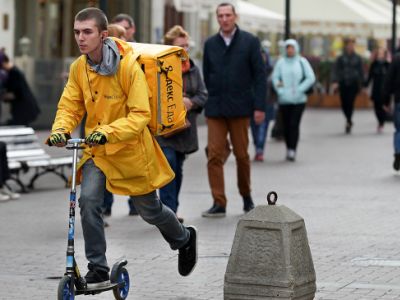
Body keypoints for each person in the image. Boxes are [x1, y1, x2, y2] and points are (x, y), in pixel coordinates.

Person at [46, 7, 197, 285]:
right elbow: (70, 104)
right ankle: (98, 267)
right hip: (97, 150)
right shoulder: (79, 67)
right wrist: (60, 129)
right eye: (77, 32)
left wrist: (109, 131)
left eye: (87, 32)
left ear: (103, 35)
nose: (81, 37)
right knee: (89, 202)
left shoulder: (128, 66)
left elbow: (140, 115)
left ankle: (184, 238)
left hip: (129, 151)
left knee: (149, 211)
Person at [201, 3, 266, 217]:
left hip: (240, 107)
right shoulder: (210, 44)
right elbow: (207, 74)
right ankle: (218, 202)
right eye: (220, 16)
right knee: (213, 155)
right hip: (216, 108)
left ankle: (246, 196)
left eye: (228, 15)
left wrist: (259, 106)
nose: (224, 19)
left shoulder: (249, 41)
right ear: (216, 18)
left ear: (235, 16)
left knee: (242, 155)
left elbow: (259, 76)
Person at [156, 25, 207, 223]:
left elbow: (203, 94)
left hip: (185, 128)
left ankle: (172, 209)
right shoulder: (158, 67)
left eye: (186, 45)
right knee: (168, 165)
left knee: (178, 168)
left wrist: (190, 102)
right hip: (164, 129)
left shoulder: (193, 68)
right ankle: (169, 213)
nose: (185, 50)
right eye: (180, 47)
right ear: (169, 48)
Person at [103, 14, 137, 217]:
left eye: (125, 33)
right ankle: (105, 206)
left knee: (132, 167)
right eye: (119, 35)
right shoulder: (94, 63)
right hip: (106, 126)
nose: (122, 41)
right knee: (106, 167)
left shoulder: (133, 58)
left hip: (127, 124)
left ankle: (136, 205)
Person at [271, 39, 315, 162]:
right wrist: (281, 91)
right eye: (288, 48)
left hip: (299, 100)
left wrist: (301, 89)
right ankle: (288, 147)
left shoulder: (302, 61)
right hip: (284, 100)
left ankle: (292, 149)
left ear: (296, 49)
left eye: (292, 48)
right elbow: (275, 78)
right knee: (286, 125)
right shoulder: (280, 63)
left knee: (294, 124)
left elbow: (310, 77)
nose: (290, 50)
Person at [331, 37, 364, 134]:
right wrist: (335, 81)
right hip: (343, 82)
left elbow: (361, 71)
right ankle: (348, 119)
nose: (350, 46)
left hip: (353, 83)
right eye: (348, 45)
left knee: (351, 102)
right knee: (344, 103)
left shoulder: (358, 58)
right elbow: (335, 70)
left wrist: (362, 83)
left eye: (352, 45)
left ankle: (349, 120)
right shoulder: (341, 58)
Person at [0, 50, 40, 126]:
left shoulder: (14, 73)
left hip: (23, 109)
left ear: (4, 63)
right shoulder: (13, 72)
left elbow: (16, 93)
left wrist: (3, 96)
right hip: (23, 109)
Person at [251, 39, 275, 162]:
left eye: (263, 56)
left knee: (263, 127)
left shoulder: (271, 71)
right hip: (252, 104)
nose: (262, 58)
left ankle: (260, 149)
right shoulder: (250, 72)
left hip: (268, 103)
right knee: (254, 127)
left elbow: (275, 86)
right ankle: (257, 146)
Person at [365, 46, 390, 133]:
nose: (380, 55)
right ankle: (380, 121)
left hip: (385, 90)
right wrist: (365, 85)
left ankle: (381, 123)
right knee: (376, 107)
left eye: (382, 53)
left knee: (383, 107)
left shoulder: (388, 64)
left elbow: (391, 77)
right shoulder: (374, 64)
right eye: (379, 53)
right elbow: (370, 77)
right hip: (376, 88)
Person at [382, 49, 400, 171]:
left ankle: (398, 151)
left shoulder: (397, 59)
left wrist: (385, 100)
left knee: (399, 129)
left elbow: (388, 80)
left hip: (399, 100)